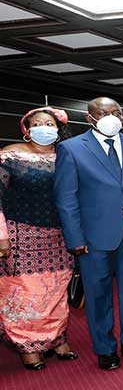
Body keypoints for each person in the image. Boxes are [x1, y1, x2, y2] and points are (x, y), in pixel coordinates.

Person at [54, 97, 123, 370]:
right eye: (104, 112)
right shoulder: (71, 149)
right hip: (93, 238)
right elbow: (66, 198)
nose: (112, 117)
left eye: (117, 112)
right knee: (98, 296)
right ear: (90, 118)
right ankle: (106, 349)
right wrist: (74, 238)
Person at [0, 107, 75, 370]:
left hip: (61, 235)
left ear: (58, 128)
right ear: (27, 129)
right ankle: (27, 346)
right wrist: (2, 237)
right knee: (25, 293)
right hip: (21, 236)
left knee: (56, 291)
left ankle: (56, 339)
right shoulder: (10, 155)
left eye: (49, 123)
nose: (44, 127)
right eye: (37, 123)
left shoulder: (67, 155)